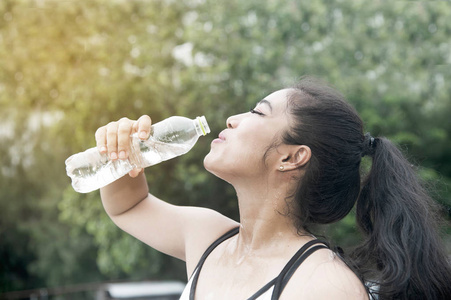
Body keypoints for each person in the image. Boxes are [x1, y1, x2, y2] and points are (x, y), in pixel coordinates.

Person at [96, 77, 451, 300]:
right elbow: (128, 206)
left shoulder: (324, 287)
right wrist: (121, 153)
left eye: (257, 112)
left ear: (292, 157)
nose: (233, 119)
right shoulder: (208, 238)